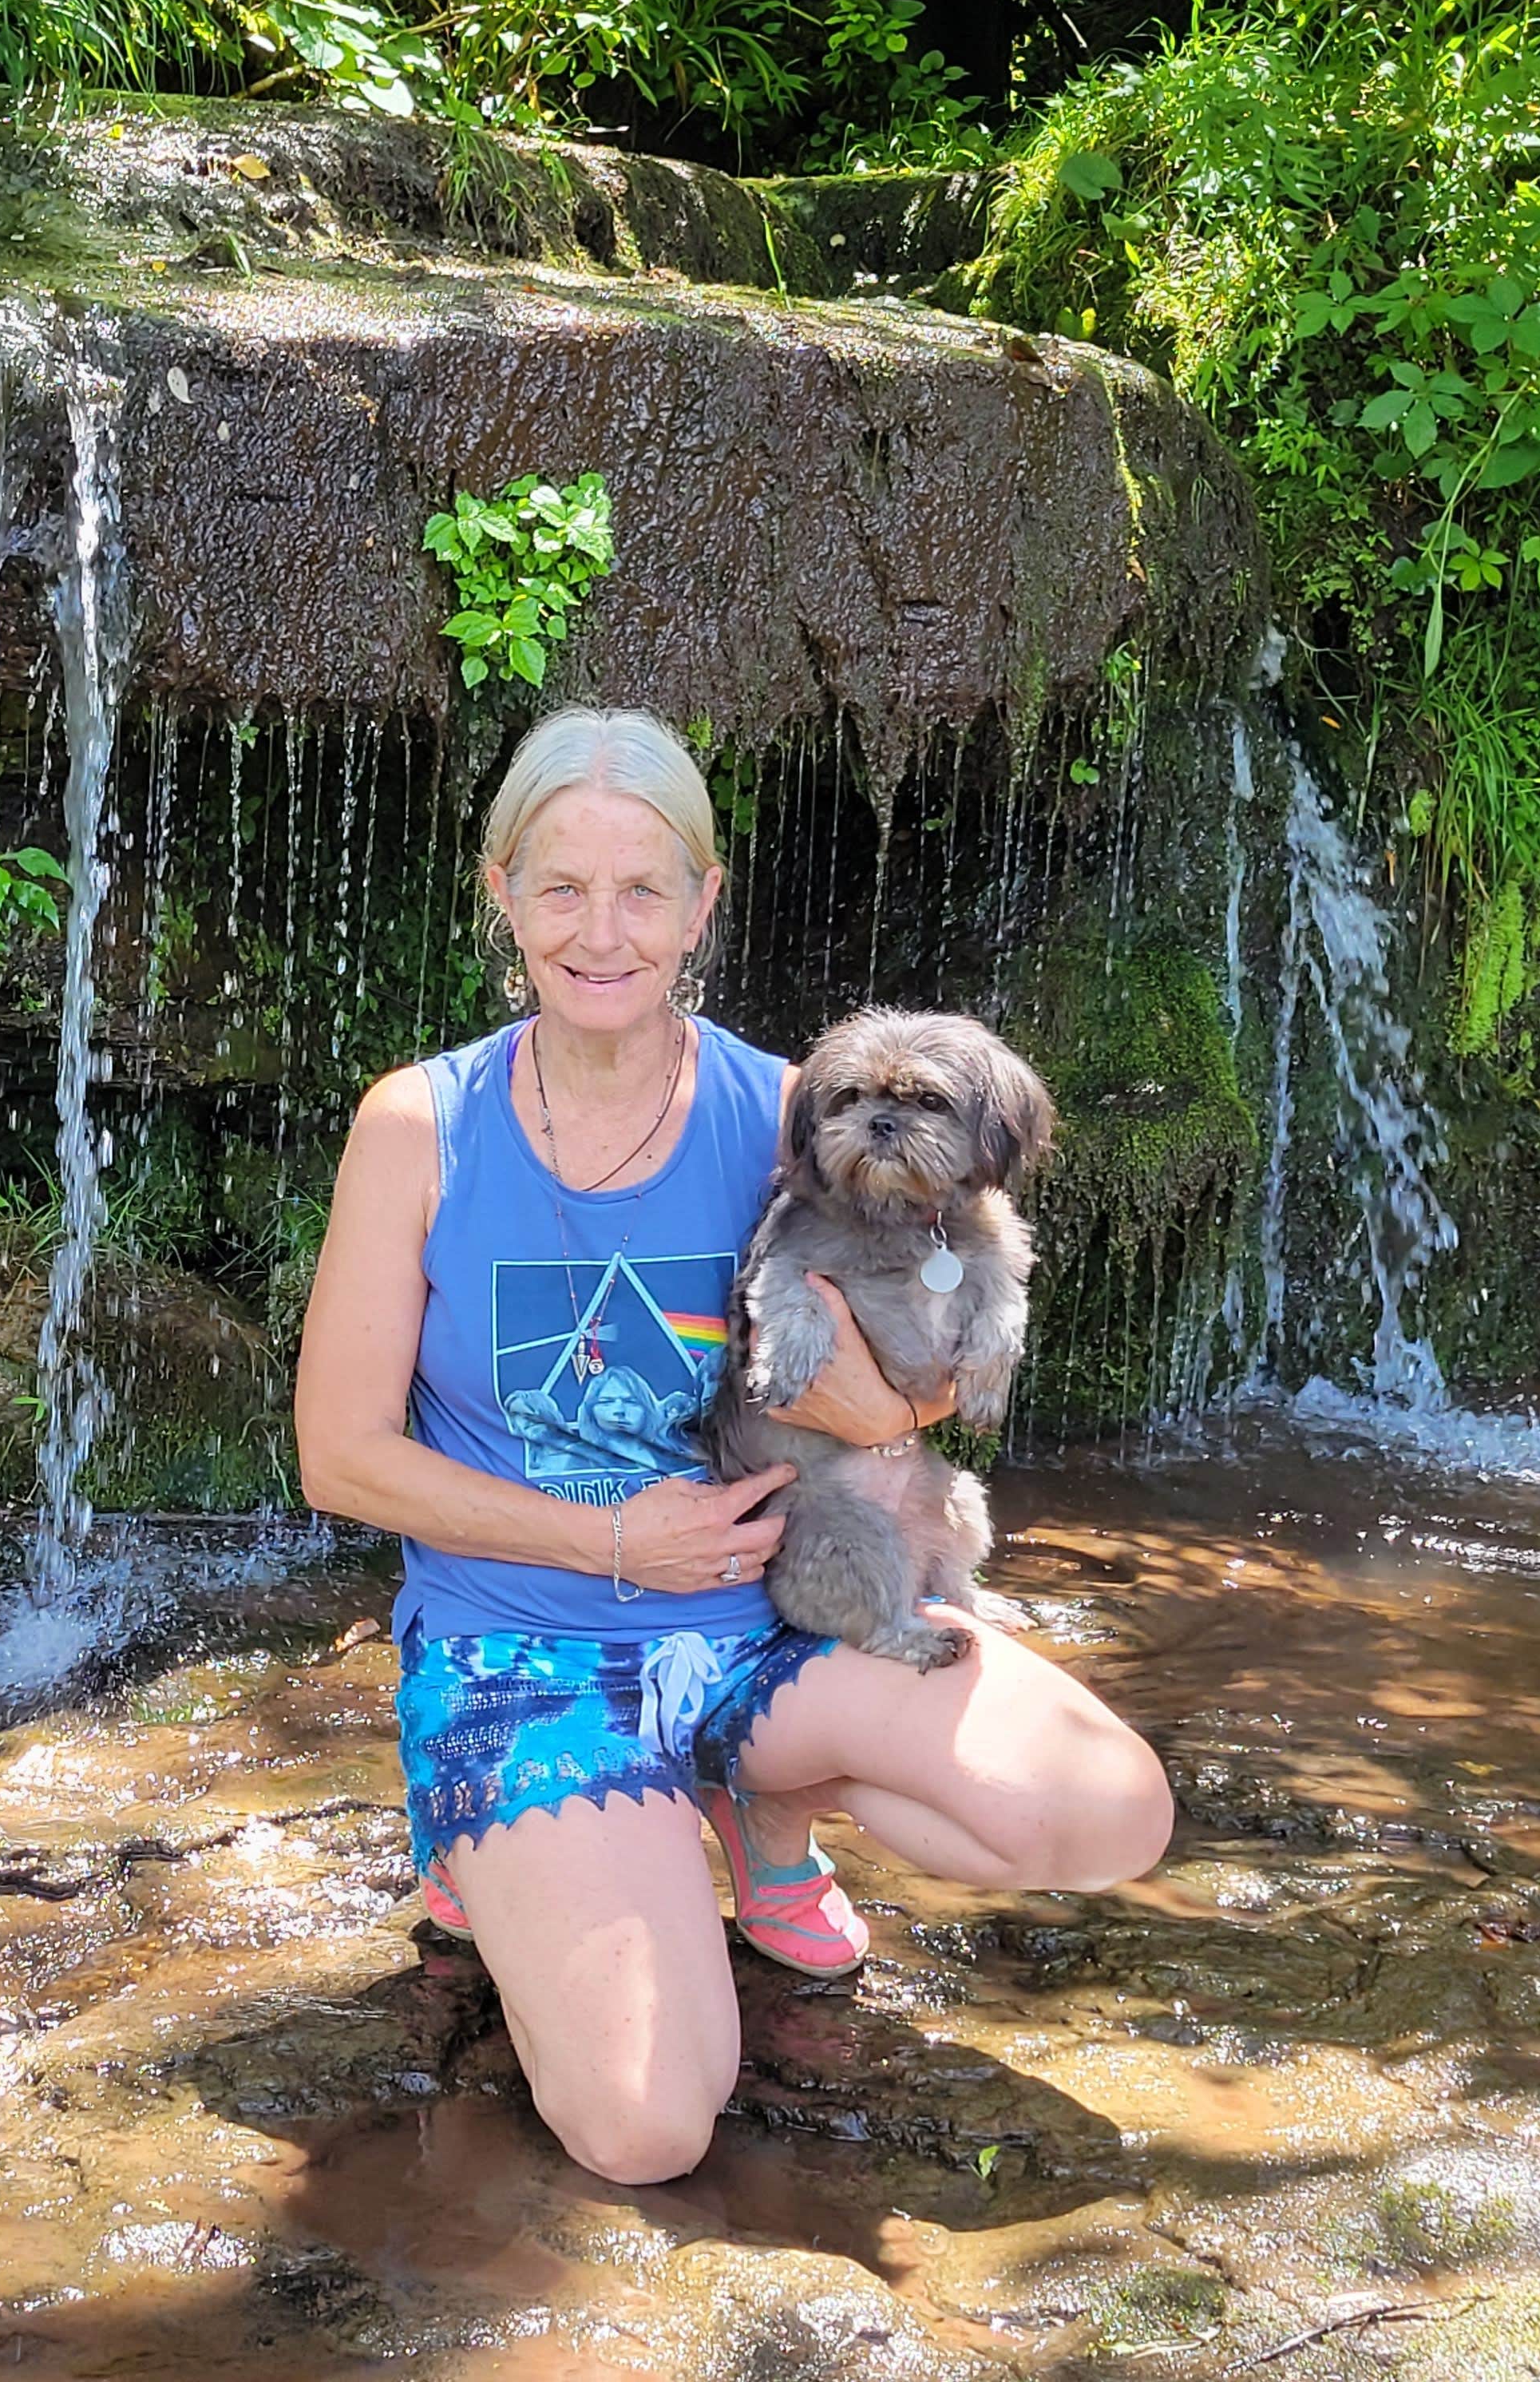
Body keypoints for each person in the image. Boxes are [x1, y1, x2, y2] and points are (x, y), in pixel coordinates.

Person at [293, 705, 1174, 2188]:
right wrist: (613, 1540)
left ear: (704, 902)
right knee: (645, 2131)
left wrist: (890, 1418)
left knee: (1107, 1811)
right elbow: (341, 1460)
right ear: (499, 892)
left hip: (763, 1621)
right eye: (561, 888)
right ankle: (487, 1854)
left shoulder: (793, 1109)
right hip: (529, 1649)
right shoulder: (417, 1127)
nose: (602, 932)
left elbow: (944, 1317)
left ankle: (757, 1805)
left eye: (644, 889)